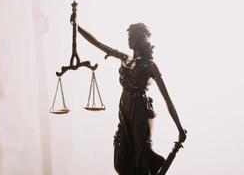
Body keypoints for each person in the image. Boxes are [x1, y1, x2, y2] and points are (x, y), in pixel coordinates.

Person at [77, 23, 186, 175]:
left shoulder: (150, 65)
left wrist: (180, 128)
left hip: (140, 110)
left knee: (140, 159)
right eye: (129, 35)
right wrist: (76, 26)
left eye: (134, 36)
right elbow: (98, 43)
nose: (130, 38)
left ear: (143, 39)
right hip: (125, 109)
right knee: (121, 161)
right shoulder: (124, 58)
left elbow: (167, 100)